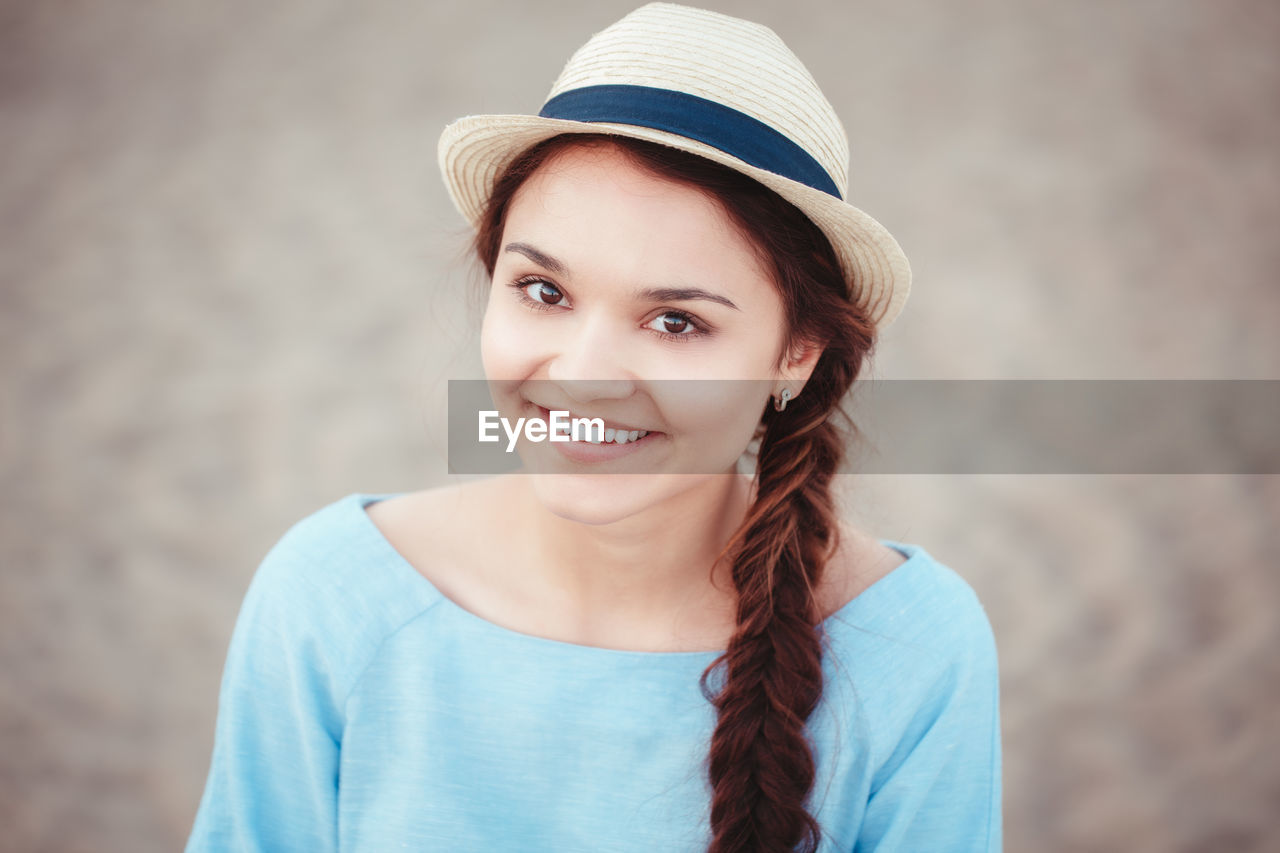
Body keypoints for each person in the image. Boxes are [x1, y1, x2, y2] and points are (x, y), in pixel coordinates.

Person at [185, 3, 1001, 851]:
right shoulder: (332, 600)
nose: (582, 374)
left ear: (795, 352)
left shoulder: (913, 649)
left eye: (676, 321)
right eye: (545, 291)